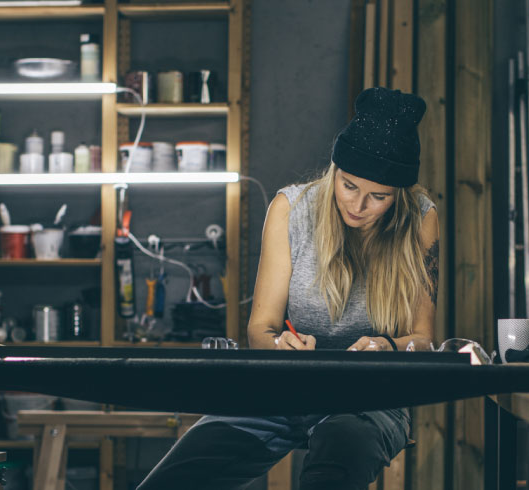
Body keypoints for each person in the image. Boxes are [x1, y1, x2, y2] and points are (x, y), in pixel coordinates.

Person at [137, 87, 440, 490]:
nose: (358, 205)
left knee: (333, 470)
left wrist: (389, 345)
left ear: (397, 195)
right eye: (349, 186)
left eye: (378, 196)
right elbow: (259, 329)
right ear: (335, 171)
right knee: (177, 478)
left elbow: (423, 340)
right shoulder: (292, 209)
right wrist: (279, 345)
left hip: (372, 399)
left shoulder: (420, 219)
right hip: (285, 389)